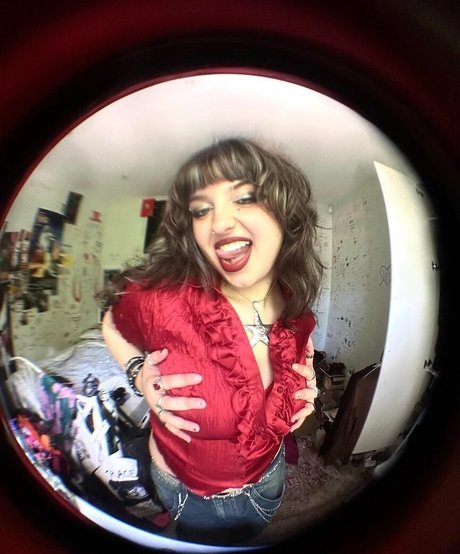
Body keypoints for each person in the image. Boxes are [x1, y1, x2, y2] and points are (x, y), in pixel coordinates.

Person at [102, 137, 323, 545]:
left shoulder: (297, 306)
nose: (219, 223)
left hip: (268, 482)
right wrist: (138, 373)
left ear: (285, 213)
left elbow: (302, 359)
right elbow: (111, 323)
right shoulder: (161, 301)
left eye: (245, 198)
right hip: (186, 493)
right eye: (202, 210)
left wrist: (307, 384)